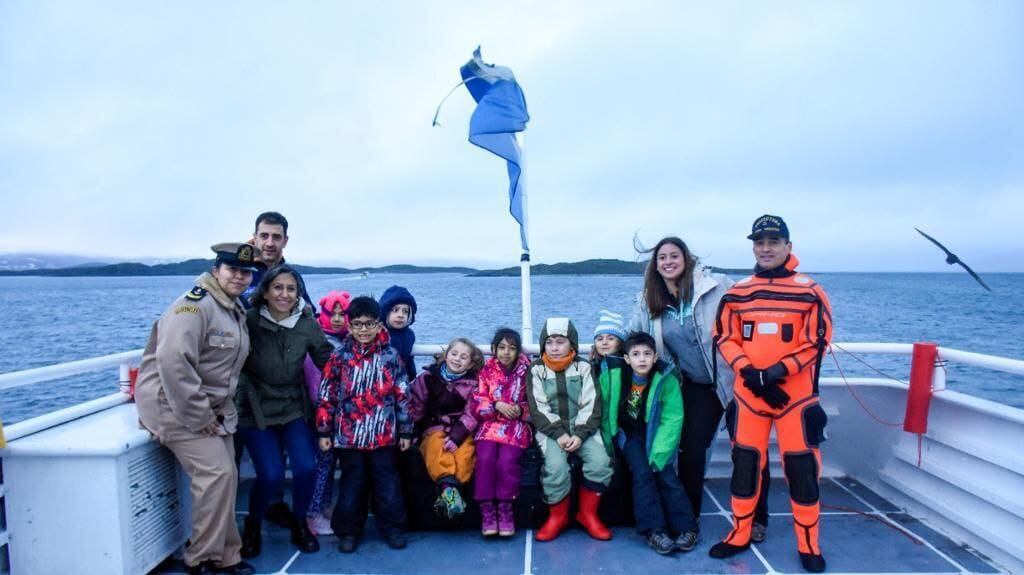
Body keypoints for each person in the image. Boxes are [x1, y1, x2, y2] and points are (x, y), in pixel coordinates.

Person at [708, 215, 833, 573]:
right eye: (759, 242)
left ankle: (808, 543)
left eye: (773, 242)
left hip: (796, 398)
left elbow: (818, 342)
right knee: (745, 467)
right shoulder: (738, 292)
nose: (765, 248)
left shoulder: (811, 291)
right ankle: (740, 533)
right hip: (750, 395)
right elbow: (724, 337)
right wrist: (751, 372)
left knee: (803, 470)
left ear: (788, 247)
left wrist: (778, 372)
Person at [629, 236, 770, 541]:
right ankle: (687, 517)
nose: (668, 262)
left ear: (687, 258)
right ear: (655, 265)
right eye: (662, 257)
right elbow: (634, 336)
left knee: (748, 450)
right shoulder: (649, 301)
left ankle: (758, 519)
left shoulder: (716, 286)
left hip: (736, 383)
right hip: (696, 385)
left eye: (674, 255)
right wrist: (605, 353)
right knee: (691, 450)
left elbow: (754, 314)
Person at [134, 242, 258, 575]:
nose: (240, 277)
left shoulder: (232, 307)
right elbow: (173, 364)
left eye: (246, 272)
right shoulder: (193, 307)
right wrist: (200, 416)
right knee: (216, 474)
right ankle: (201, 559)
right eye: (233, 270)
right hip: (176, 407)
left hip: (213, 409)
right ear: (217, 270)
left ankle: (227, 556)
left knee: (227, 476)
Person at [235, 265, 334, 557]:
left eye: (291, 289)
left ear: (299, 293)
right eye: (277, 287)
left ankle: (300, 523)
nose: (284, 294)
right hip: (255, 408)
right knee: (271, 474)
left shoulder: (306, 323)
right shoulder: (248, 320)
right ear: (265, 291)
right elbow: (228, 358)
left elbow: (327, 360)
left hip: (292, 406)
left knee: (306, 467)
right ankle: (252, 524)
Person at [316, 296, 413, 553]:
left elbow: (402, 394)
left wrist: (406, 430)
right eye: (357, 324)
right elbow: (327, 393)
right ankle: (348, 531)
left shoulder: (391, 356)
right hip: (349, 437)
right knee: (352, 485)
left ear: (379, 325)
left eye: (369, 324)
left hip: (384, 435)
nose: (363, 330)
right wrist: (324, 429)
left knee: (387, 485)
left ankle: (393, 527)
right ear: (348, 326)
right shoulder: (339, 356)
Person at [607, 332, 698, 554]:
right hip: (628, 434)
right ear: (627, 359)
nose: (642, 359)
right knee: (642, 473)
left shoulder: (665, 378)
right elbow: (605, 409)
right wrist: (611, 437)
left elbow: (672, 417)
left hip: (655, 432)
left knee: (664, 472)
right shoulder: (615, 375)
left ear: (655, 356)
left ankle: (686, 527)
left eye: (647, 354)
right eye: (636, 354)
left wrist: (660, 451)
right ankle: (654, 530)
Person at [527, 317, 613, 542]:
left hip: (582, 428)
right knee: (555, 467)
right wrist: (560, 434)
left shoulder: (584, 367)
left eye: (560, 342)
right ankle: (558, 517)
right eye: (549, 342)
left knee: (600, 462)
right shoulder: (536, 370)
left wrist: (580, 434)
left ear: (572, 344)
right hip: (551, 431)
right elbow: (538, 408)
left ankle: (587, 514)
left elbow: (592, 403)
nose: (554, 348)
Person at [408, 337, 484, 520]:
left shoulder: (474, 384)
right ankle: (449, 490)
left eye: (464, 357)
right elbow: (415, 406)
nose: (457, 359)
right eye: (454, 353)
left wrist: (457, 436)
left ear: (471, 362)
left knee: (465, 453)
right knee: (436, 448)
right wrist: (411, 431)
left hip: (462, 429)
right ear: (446, 355)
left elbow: (472, 412)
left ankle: (450, 492)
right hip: (434, 425)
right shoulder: (427, 378)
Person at [471, 328, 533, 537]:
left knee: (507, 462)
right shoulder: (486, 371)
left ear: (518, 351)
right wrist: (495, 405)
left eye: (512, 348)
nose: (506, 352)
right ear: (494, 349)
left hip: (515, 428)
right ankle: (487, 510)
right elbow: (478, 400)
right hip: (489, 427)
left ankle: (505, 510)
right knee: (485, 459)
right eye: (502, 347)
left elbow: (534, 401)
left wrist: (521, 410)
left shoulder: (527, 371)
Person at [305, 290, 352, 536]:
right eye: (331, 313)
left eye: (341, 314)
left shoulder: (346, 342)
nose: (336, 319)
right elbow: (316, 389)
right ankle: (313, 514)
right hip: (322, 416)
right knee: (323, 464)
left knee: (331, 463)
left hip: (339, 416)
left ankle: (324, 507)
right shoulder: (319, 344)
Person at [242, 211, 314, 310]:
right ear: (255, 238)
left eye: (276, 237)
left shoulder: (293, 277)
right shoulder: (240, 272)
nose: (270, 243)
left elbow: (311, 315)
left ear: (285, 241)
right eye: (264, 236)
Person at [379, 285, 418, 381]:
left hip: (399, 382)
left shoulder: (409, 335)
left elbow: (408, 358)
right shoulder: (377, 333)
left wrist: (411, 374)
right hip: (378, 382)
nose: (400, 315)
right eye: (395, 310)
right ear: (385, 312)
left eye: (405, 311)